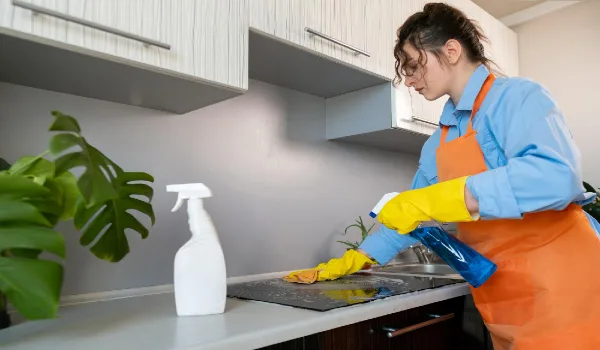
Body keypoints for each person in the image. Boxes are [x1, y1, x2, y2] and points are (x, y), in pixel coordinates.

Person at [284, 3, 600, 349]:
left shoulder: (517, 97)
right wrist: (355, 259)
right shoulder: (440, 140)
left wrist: (434, 200)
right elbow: (410, 214)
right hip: (502, 293)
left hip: (564, 287)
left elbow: (554, 177)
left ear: (451, 50)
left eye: (414, 65)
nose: (407, 79)